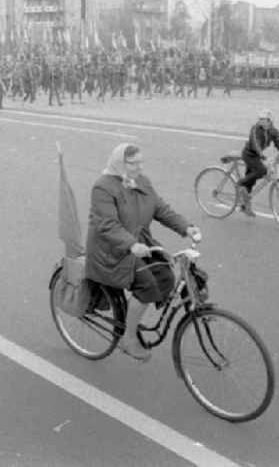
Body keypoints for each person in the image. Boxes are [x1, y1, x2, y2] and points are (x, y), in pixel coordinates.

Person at [85, 143, 201, 362]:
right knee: (147, 283)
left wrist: (186, 227)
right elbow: (107, 225)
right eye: (133, 163)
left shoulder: (142, 182)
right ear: (120, 163)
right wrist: (130, 244)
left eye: (141, 162)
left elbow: (160, 209)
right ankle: (128, 339)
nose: (139, 167)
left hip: (138, 244)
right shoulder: (103, 187)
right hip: (111, 250)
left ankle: (133, 315)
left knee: (166, 274)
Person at [236, 109, 279, 216]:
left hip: (258, 156)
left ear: (270, 121)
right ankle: (240, 183)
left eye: (264, 119)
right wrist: (262, 155)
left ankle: (244, 206)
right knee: (262, 171)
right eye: (260, 119)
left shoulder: (273, 131)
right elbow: (256, 144)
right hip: (249, 154)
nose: (261, 121)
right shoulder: (255, 129)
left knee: (250, 181)